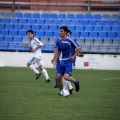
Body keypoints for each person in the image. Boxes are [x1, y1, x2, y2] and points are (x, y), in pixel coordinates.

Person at [53, 26, 81, 93]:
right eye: (60, 31)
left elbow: (79, 48)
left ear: (65, 32)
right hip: (62, 61)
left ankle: (76, 82)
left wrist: (74, 56)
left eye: (61, 31)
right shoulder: (59, 41)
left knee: (66, 77)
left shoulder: (70, 40)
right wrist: (55, 60)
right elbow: (58, 52)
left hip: (69, 61)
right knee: (58, 77)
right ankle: (62, 91)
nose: (60, 32)